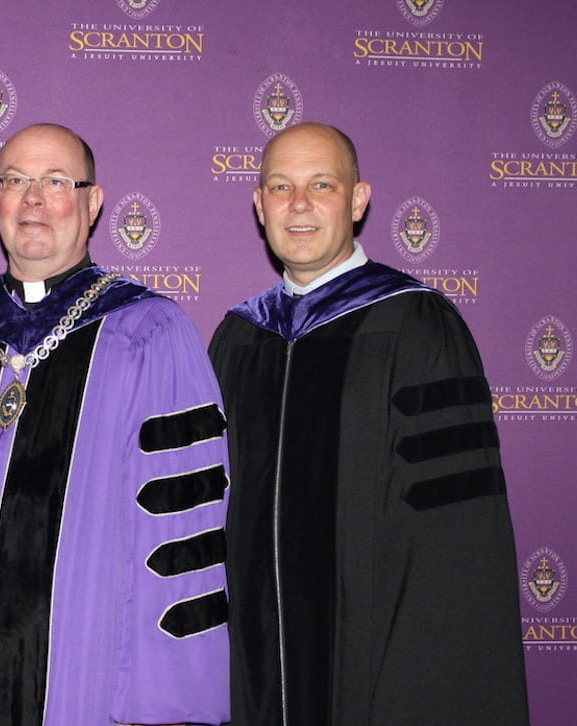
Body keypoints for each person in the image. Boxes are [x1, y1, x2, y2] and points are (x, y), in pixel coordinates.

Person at [0, 123, 230, 726]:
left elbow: (183, 541)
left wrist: (160, 708)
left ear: (92, 203)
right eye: (15, 181)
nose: (32, 199)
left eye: (56, 182)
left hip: (90, 696)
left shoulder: (150, 337)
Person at [209, 122, 529, 724]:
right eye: (280, 187)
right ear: (259, 205)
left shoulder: (416, 326)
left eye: (321, 184)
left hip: (374, 666)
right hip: (254, 674)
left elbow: (454, 540)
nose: (298, 204)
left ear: (358, 201)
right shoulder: (238, 336)